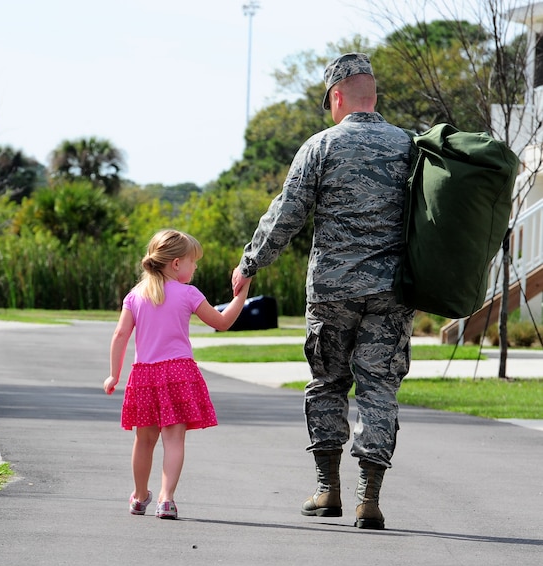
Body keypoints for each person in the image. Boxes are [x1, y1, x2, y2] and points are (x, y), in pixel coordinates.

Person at [231, 53, 415, 530]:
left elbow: (287, 213)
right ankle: (368, 498)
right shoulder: (409, 146)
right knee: (380, 388)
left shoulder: (322, 145)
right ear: (373, 95)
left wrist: (250, 262)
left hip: (332, 292)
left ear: (336, 96)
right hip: (391, 294)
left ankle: (326, 490)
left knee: (328, 384)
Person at [104, 229, 251, 520]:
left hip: (144, 376)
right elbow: (221, 322)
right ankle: (166, 499)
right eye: (192, 261)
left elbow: (120, 334)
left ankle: (140, 495)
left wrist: (113, 375)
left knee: (143, 441)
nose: (195, 267)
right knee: (174, 441)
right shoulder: (188, 294)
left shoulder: (135, 295)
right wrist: (243, 292)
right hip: (178, 374)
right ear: (175, 264)